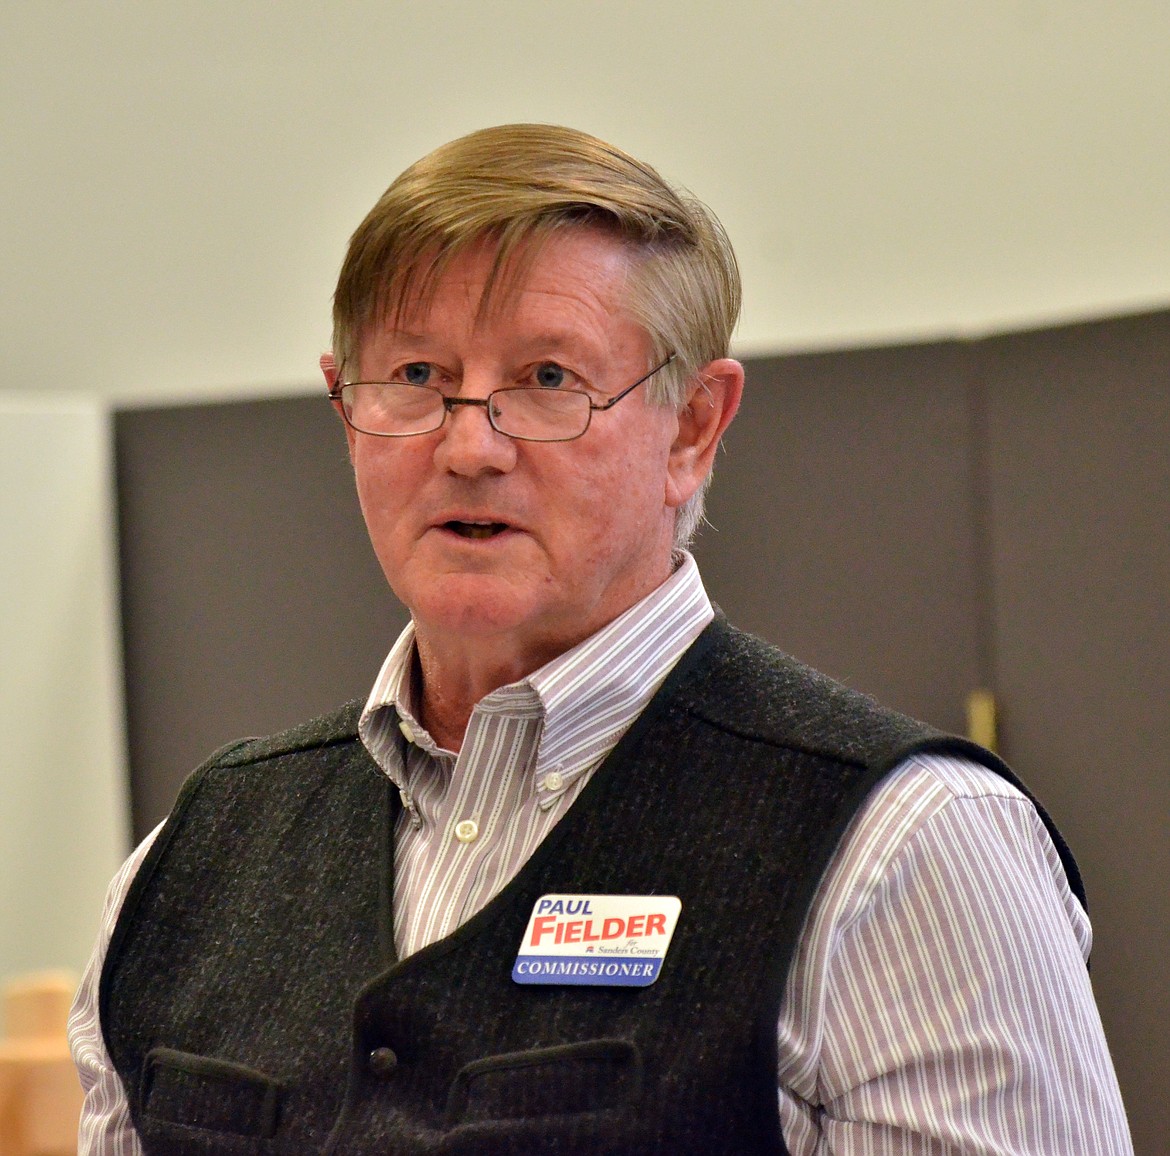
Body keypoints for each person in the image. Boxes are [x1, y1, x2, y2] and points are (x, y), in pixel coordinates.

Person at [68, 124, 1132, 1154]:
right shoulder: (187, 866)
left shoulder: (904, 853)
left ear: (692, 427)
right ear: (347, 408)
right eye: (418, 377)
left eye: (547, 380)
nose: (470, 445)